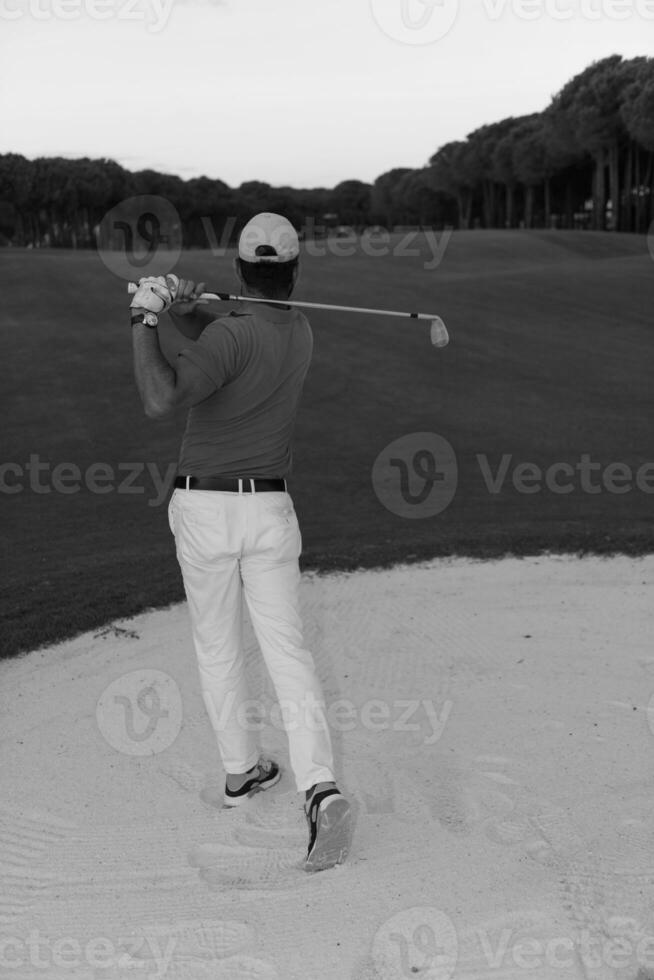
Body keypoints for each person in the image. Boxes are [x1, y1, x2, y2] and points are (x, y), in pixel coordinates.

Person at [129, 212, 351, 872]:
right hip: (271, 510)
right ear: (293, 272)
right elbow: (228, 340)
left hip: (205, 510)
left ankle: (240, 772)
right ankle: (320, 788)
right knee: (287, 649)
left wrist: (146, 319)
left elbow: (160, 400)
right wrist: (189, 312)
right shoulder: (300, 330)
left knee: (217, 644)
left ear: (239, 271)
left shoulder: (230, 337)